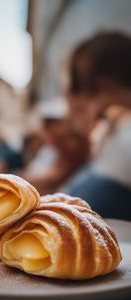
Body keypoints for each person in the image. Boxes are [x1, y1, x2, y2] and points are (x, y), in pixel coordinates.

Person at [63, 32, 131, 220]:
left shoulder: (124, 136)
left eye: (85, 88)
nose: (80, 99)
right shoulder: (114, 131)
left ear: (105, 84)